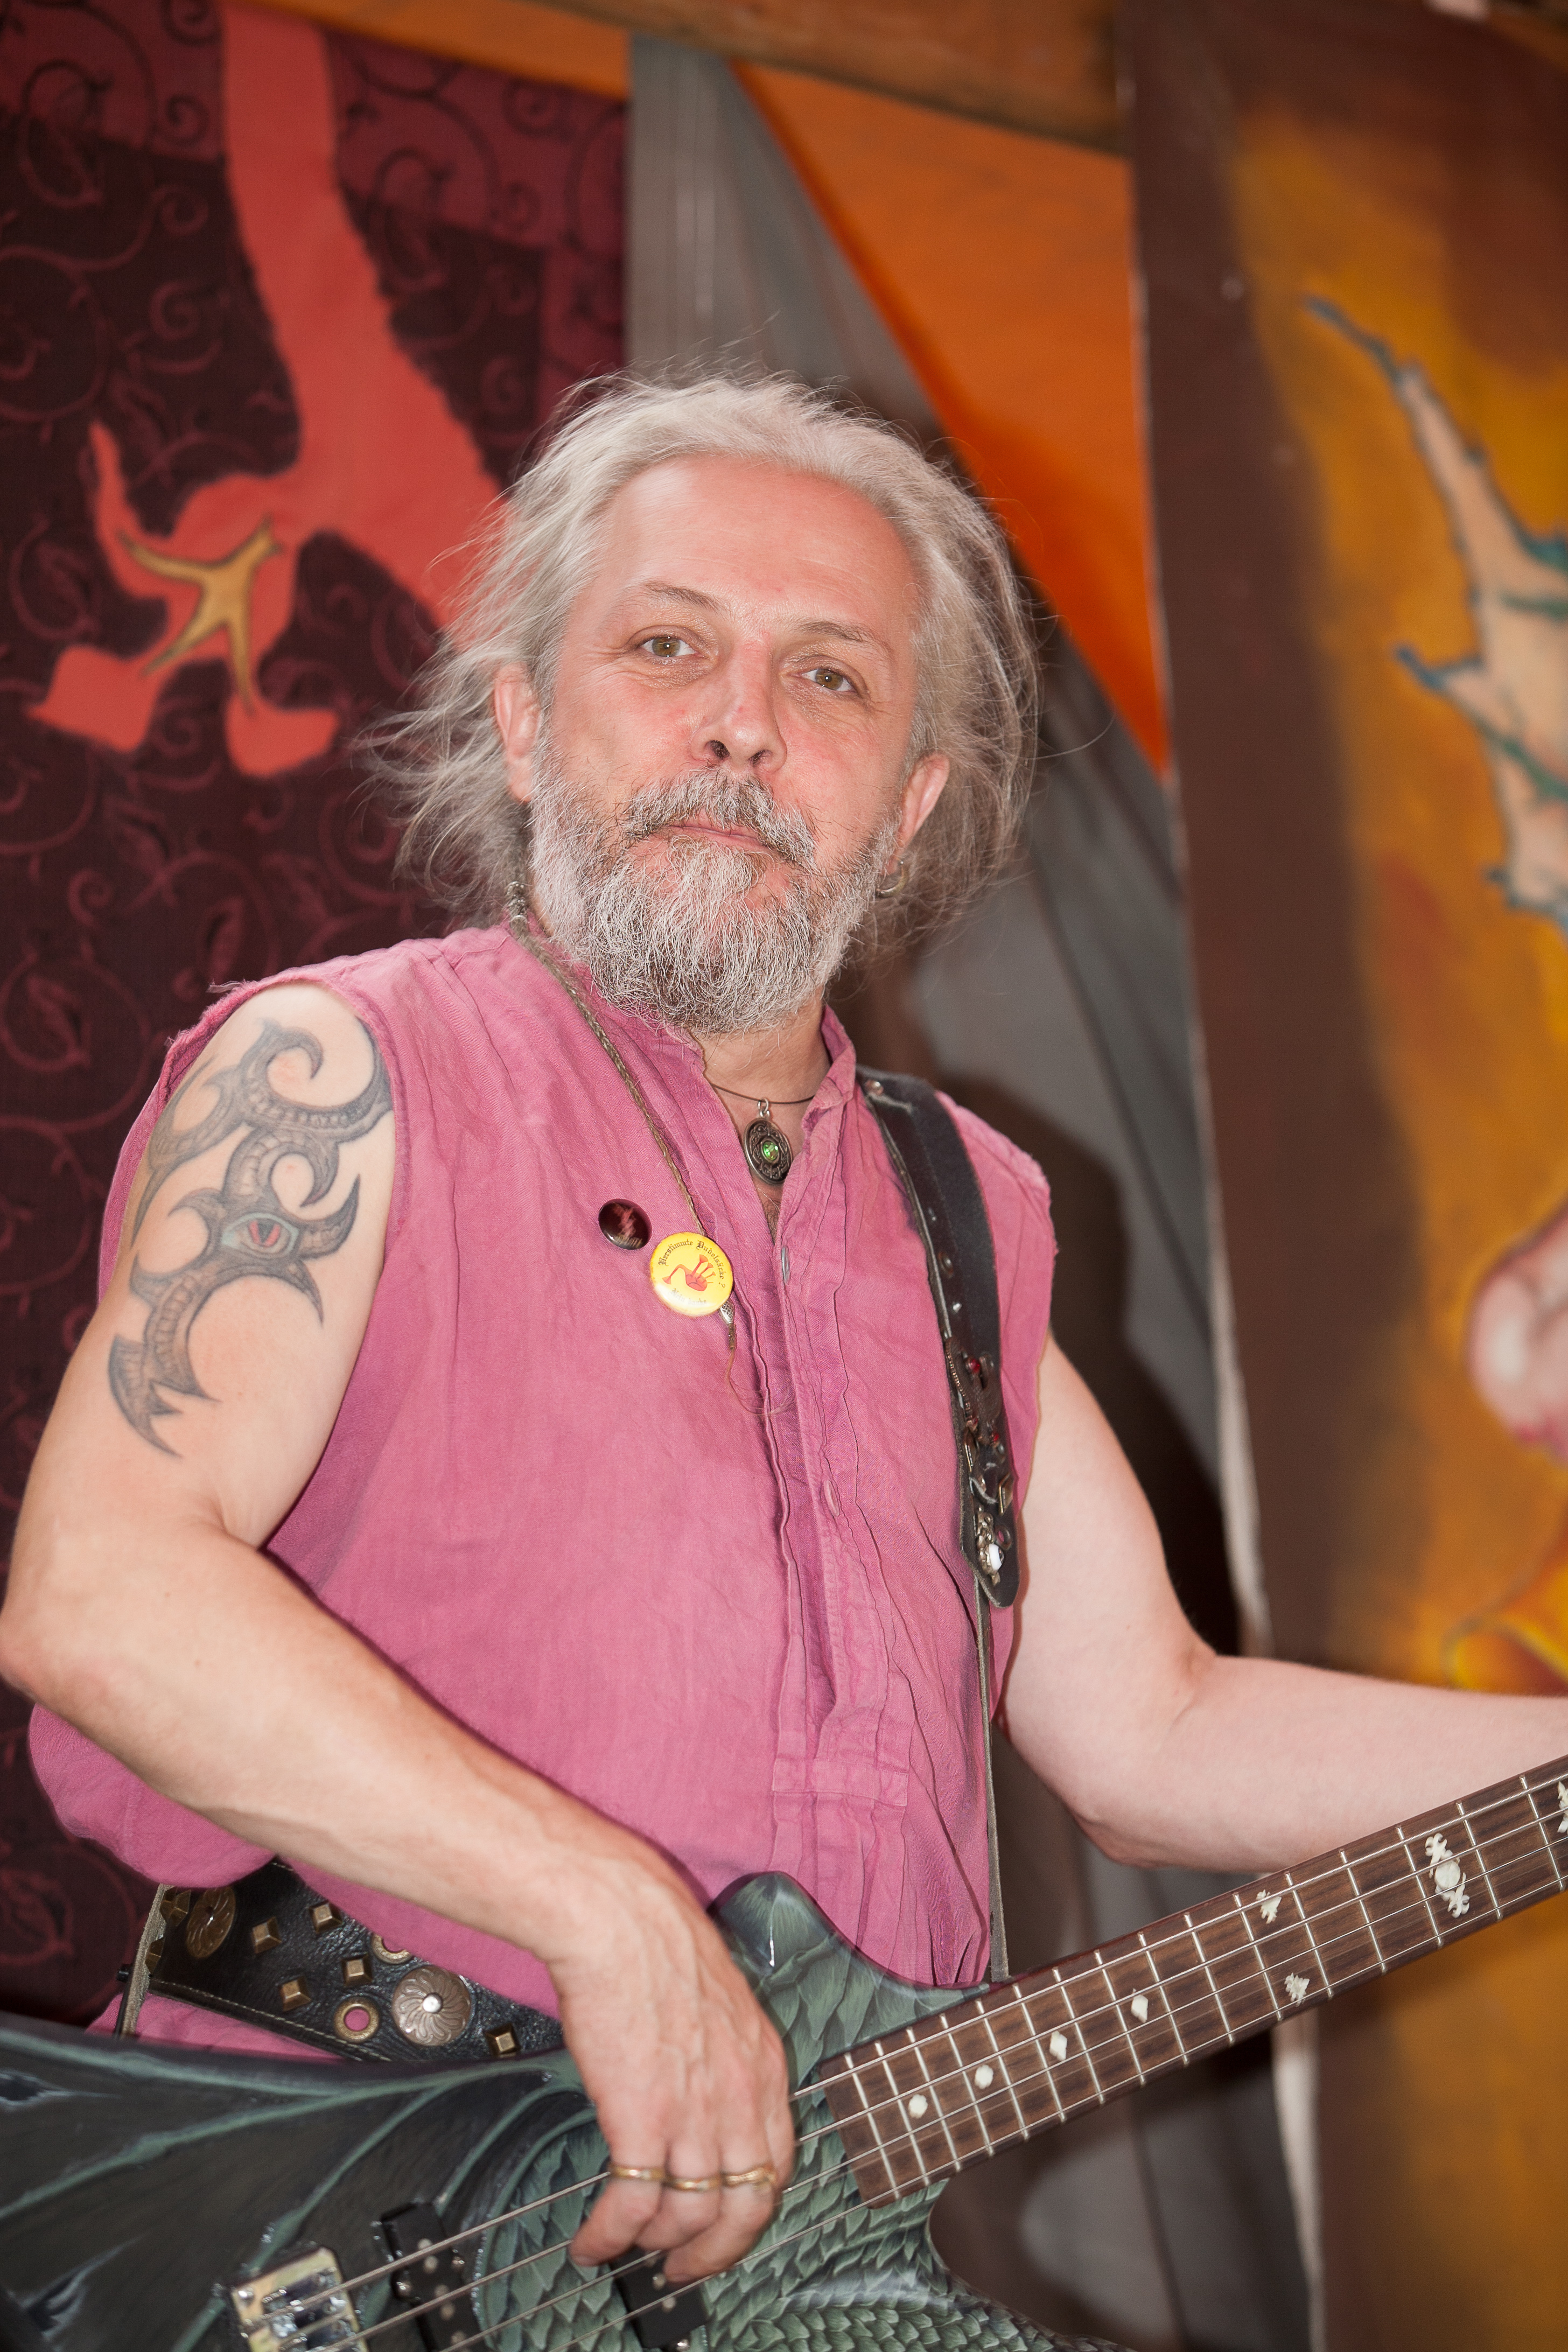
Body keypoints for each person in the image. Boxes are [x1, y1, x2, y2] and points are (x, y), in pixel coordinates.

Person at [2, 376, 1565, 2305]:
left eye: (831, 677)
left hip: (785, 2274)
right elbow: (105, 1593)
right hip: (341, 2242)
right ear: (523, 718)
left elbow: (1155, 1727)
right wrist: (608, 1913)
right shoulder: (342, 1067)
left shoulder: (964, 1215)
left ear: (907, 805)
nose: (744, 721)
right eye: (668, 647)